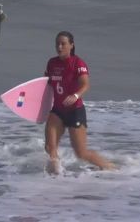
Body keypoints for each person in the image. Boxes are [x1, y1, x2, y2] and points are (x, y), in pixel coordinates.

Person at [44, 31, 116, 173]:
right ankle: (55, 178)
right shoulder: (52, 63)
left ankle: (112, 168)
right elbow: (45, 85)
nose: (59, 47)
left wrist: (75, 95)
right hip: (57, 111)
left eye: (63, 44)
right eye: (57, 44)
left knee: (81, 153)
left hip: (75, 111)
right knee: (50, 148)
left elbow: (85, 84)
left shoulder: (78, 63)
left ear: (71, 45)